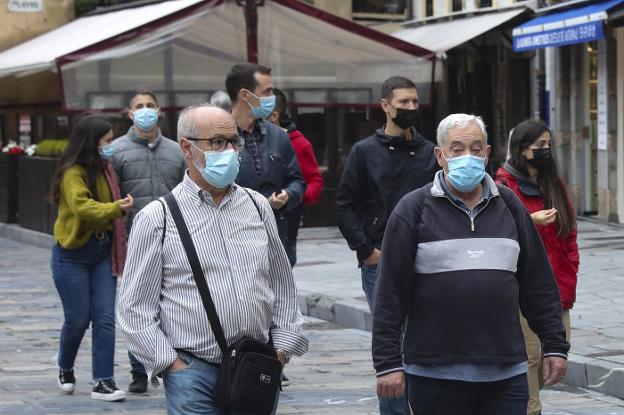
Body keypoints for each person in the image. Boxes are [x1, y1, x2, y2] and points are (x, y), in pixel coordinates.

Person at [373, 113, 570, 415]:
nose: (468, 157)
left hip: (506, 375)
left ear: (488, 153)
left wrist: (555, 345)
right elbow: (389, 294)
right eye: (457, 149)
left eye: (476, 149)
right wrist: (387, 363)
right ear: (440, 156)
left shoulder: (510, 206)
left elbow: (538, 284)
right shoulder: (412, 210)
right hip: (434, 375)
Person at [117, 105, 308, 414]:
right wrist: (171, 364)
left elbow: (282, 284)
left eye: (234, 141)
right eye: (218, 142)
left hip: (255, 365)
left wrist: (281, 350)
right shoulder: (158, 218)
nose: (230, 151)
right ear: (186, 148)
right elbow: (134, 306)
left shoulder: (257, 206)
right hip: (193, 371)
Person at [495, 119, 579, 415]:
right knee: (530, 355)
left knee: (554, 353)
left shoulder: (554, 185)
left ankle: (525, 401)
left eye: (548, 145)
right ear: (521, 149)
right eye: (538, 146)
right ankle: (530, 409)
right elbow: (496, 230)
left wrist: (569, 281)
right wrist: (530, 221)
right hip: (522, 288)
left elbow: (569, 240)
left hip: (557, 288)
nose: (545, 150)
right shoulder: (503, 185)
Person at [51, 116, 133, 402]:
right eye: (107, 141)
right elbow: (83, 207)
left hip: (102, 252)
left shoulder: (107, 169)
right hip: (71, 255)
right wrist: (116, 208)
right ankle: (64, 364)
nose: (110, 146)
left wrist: (117, 207)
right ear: (92, 142)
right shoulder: (73, 172)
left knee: (105, 318)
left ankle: (103, 381)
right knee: (78, 319)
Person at [110, 89, 185, 393]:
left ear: (159, 110)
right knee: (135, 303)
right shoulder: (116, 151)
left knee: (172, 302)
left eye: (150, 105)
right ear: (129, 113)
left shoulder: (177, 150)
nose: (145, 110)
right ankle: (138, 369)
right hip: (133, 240)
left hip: (173, 237)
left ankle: (170, 363)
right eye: (139, 106)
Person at [226, 63, 306, 254]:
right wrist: (259, 204)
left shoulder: (279, 136)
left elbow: (298, 181)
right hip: (234, 240)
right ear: (245, 95)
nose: (273, 97)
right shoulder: (217, 137)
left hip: (275, 237)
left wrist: (287, 195)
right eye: (267, 91)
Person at [268, 88, 325, 266]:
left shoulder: (298, 143)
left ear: (274, 115)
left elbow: (315, 181)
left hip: (286, 225)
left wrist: (294, 196)